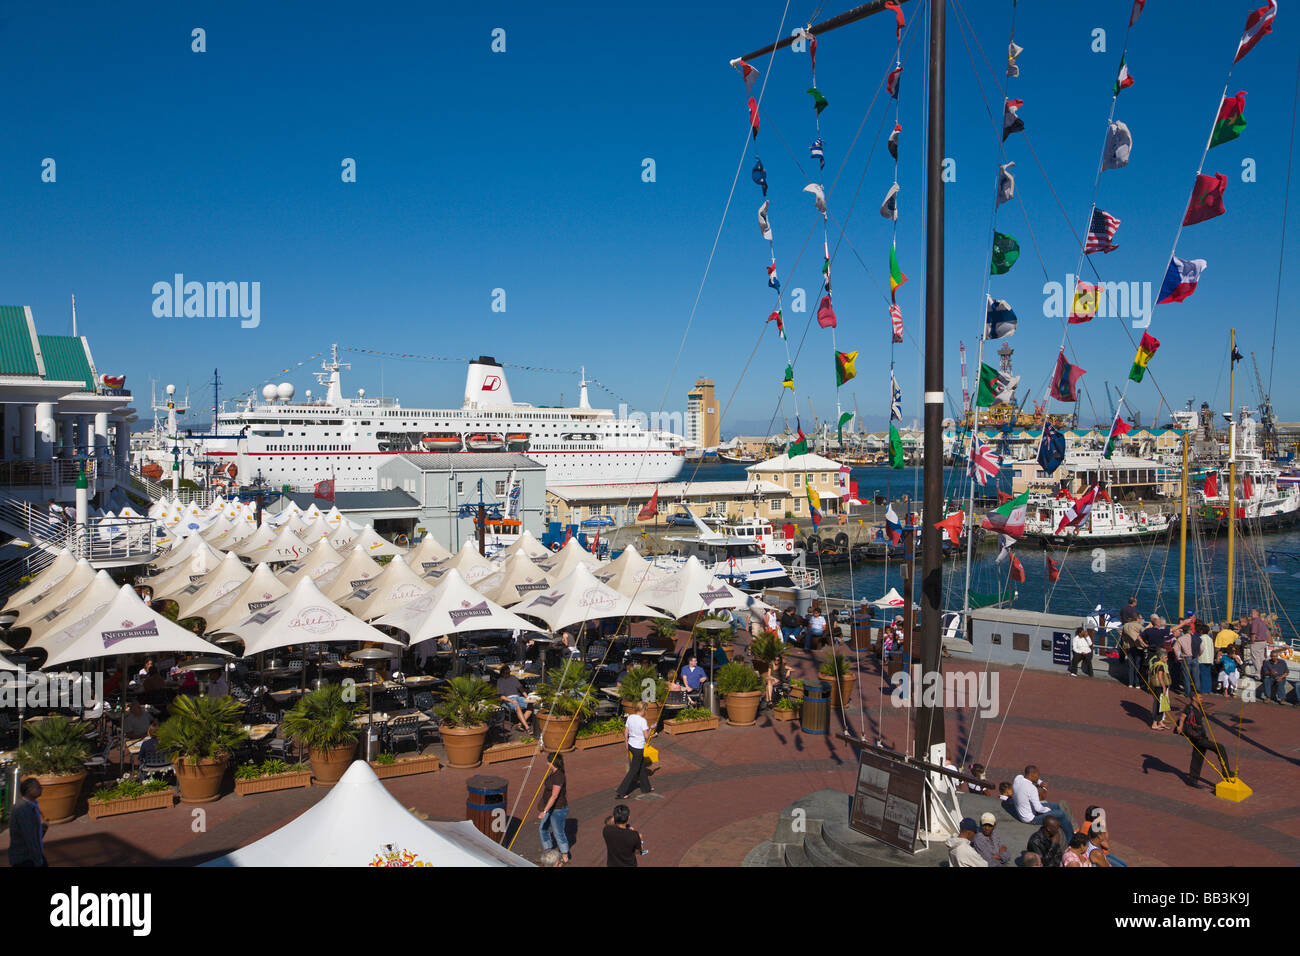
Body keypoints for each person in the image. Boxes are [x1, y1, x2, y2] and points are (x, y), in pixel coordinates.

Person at [1173, 696, 1230, 789]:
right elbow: (1183, 717)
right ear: (1194, 698)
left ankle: (1192, 780)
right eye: (1200, 697)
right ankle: (1227, 772)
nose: (1202, 699)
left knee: (1198, 756)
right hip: (1196, 737)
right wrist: (1180, 726)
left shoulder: (1199, 707)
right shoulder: (1189, 707)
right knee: (1220, 748)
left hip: (1201, 735)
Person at [1010, 766, 1072, 833]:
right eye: (1038, 775)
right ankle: (1071, 838)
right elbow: (1038, 809)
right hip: (1030, 819)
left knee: (1056, 805)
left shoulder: (1018, 778)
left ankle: (1058, 825)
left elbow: (1026, 777)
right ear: (1032, 774)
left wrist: (1039, 782)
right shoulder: (1032, 788)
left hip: (1026, 809)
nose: (1038, 777)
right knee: (1062, 814)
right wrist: (1048, 809)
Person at [537, 754, 571, 865]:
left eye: (548, 761)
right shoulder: (553, 772)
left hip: (557, 809)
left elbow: (554, 795)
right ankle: (548, 852)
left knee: (558, 833)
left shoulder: (559, 776)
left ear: (552, 762)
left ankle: (565, 855)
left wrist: (545, 811)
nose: (546, 763)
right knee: (543, 829)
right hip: (549, 807)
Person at [614, 701, 653, 799]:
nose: (646, 712)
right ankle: (621, 791)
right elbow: (646, 736)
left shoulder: (630, 717)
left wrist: (626, 742)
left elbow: (626, 731)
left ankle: (646, 788)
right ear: (643, 710)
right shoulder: (643, 721)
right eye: (646, 710)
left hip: (631, 744)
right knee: (634, 770)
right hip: (638, 748)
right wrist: (652, 728)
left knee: (641, 766)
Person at [8, 778, 47, 867]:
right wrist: (38, 859)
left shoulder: (32, 804)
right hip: (25, 858)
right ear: (29, 791)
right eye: (38, 787)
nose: (41, 789)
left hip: (30, 855)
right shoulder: (23, 809)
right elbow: (29, 836)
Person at [496, 667, 533, 733]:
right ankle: (527, 727)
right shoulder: (500, 681)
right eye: (507, 673)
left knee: (531, 704)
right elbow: (501, 696)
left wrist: (527, 697)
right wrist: (511, 701)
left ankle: (520, 724)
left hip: (518, 697)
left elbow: (521, 689)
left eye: (509, 672)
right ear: (502, 674)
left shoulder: (513, 678)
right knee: (517, 706)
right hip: (508, 699)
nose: (508, 674)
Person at [1148, 649, 1172, 730]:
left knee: (1161, 704)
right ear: (1161, 658)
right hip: (1159, 687)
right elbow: (1160, 677)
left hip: (1155, 686)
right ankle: (1154, 724)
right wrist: (1164, 687)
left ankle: (1160, 721)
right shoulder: (1160, 665)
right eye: (1165, 658)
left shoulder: (1155, 664)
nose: (1167, 659)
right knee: (1160, 705)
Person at [1246, 609, 1269, 678]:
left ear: (1257, 614)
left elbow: (1253, 633)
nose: (1250, 615)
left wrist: (1252, 641)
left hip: (1257, 642)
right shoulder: (1262, 621)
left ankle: (1258, 673)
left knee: (1255, 658)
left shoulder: (1255, 621)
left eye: (1252, 613)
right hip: (1263, 641)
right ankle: (1263, 672)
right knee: (1261, 658)